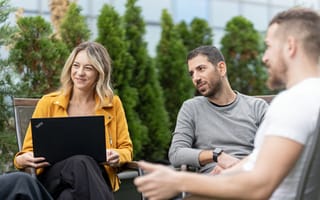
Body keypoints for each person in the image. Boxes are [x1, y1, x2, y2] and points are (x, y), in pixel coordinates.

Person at [134, 7, 320, 200]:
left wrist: (178, 181)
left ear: (290, 46)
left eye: (269, 46)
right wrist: (220, 172)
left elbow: (259, 186)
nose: (264, 57)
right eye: (192, 73)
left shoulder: (293, 102)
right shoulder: (310, 98)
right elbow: (257, 163)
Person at [13, 41, 133, 200]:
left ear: (99, 72)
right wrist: (22, 159)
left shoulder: (112, 104)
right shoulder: (48, 102)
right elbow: (25, 152)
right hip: (54, 178)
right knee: (80, 162)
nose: (80, 72)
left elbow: (126, 149)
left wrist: (117, 156)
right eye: (76, 65)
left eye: (88, 68)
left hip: (95, 178)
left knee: (68, 196)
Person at [168, 45, 269, 174]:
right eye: (192, 73)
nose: (196, 78)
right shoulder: (191, 108)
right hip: (212, 184)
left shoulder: (257, 107)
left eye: (201, 69)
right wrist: (217, 156)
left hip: (250, 178)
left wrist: (236, 169)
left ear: (221, 68)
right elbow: (176, 153)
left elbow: (273, 150)